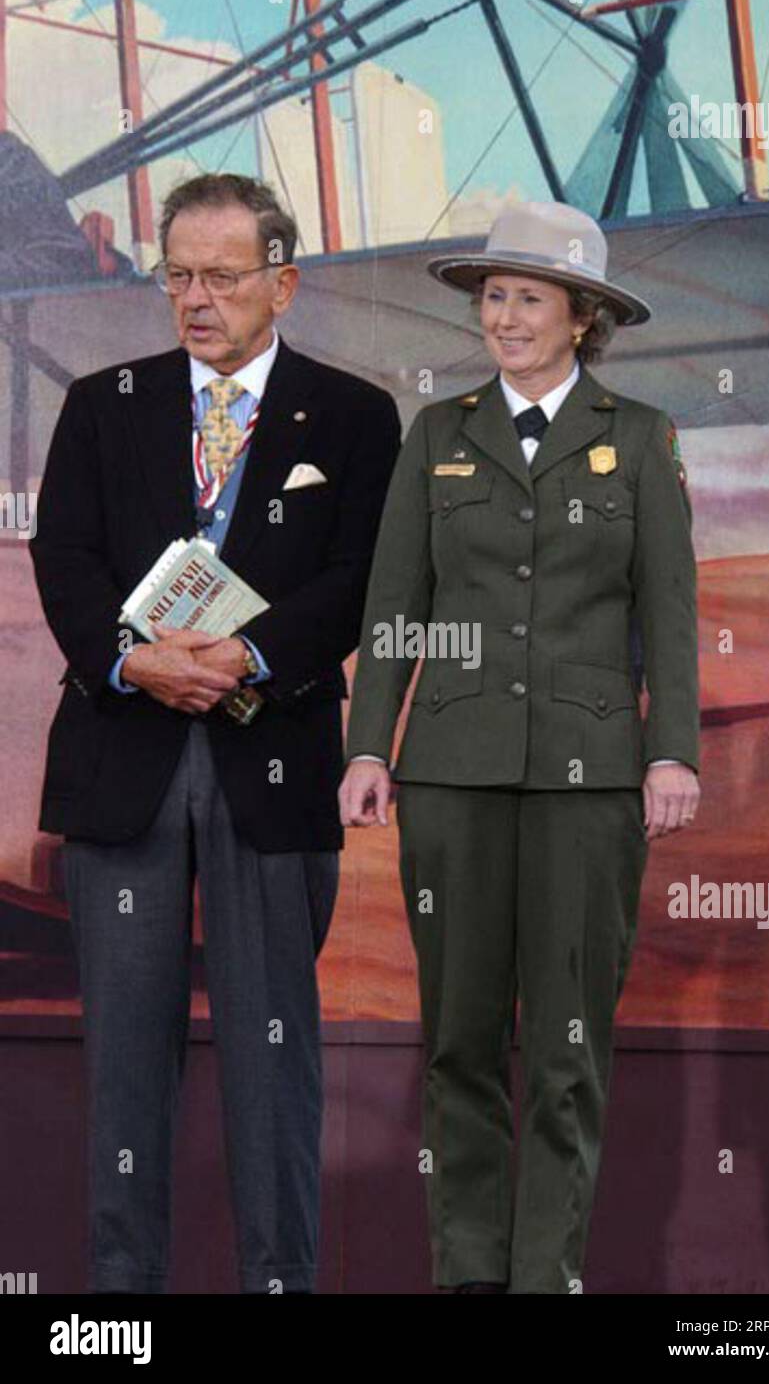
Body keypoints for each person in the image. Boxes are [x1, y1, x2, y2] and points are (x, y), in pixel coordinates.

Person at [30, 173, 400, 1294]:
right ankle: (120, 1309)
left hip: (272, 762)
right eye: (178, 274)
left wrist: (248, 655)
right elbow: (65, 558)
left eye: (222, 277)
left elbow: (361, 578)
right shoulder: (102, 402)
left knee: (273, 1061)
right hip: (122, 756)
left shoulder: (353, 414)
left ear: (281, 284)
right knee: (125, 1070)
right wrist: (129, 657)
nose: (196, 298)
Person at [339, 200, 700, 1295]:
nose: (502, 315)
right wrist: (368, 748)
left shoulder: (640, 437)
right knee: (457, 1042)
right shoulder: (436, 437)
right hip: (449, 772)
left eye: (527, 297)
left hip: (590, 785)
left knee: (564, 1050)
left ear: (582, 316)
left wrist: (670, 750)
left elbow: (668, 611)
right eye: (492, 295)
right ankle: (466, 1276)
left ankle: (546, 1276)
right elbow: (396, 605)